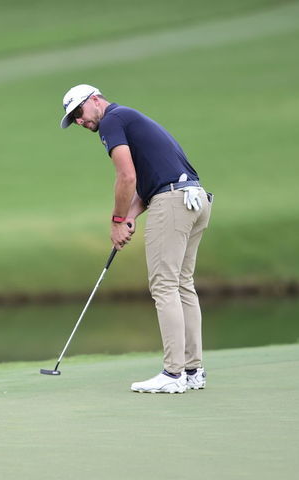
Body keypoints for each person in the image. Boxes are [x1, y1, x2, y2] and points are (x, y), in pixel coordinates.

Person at [60, 84, 212, 394]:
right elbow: (149, 183)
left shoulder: (112, 120)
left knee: (165, 285)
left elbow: (127, 177)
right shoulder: (129, 118)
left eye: (79, 111)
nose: (79, 120)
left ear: (95, 100)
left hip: (173, 202)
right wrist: (130, 215)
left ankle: (173, 374)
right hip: (195, 199)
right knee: (182, 284)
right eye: (73, 118)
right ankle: (193, 370)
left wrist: (116, 221)